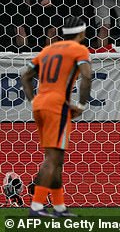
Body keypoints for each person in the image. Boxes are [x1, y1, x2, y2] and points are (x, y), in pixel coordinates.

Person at [21, 16, 93, 217]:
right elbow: (87, 76)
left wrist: (33, 100)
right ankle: (36, 206)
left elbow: (25, 75)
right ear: (81, 34)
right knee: (52, 158)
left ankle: (59, 207)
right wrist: (81, 104)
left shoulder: (47, 50)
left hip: (41, 105)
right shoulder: (79, 50)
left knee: (57, 158)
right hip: (57, 107)